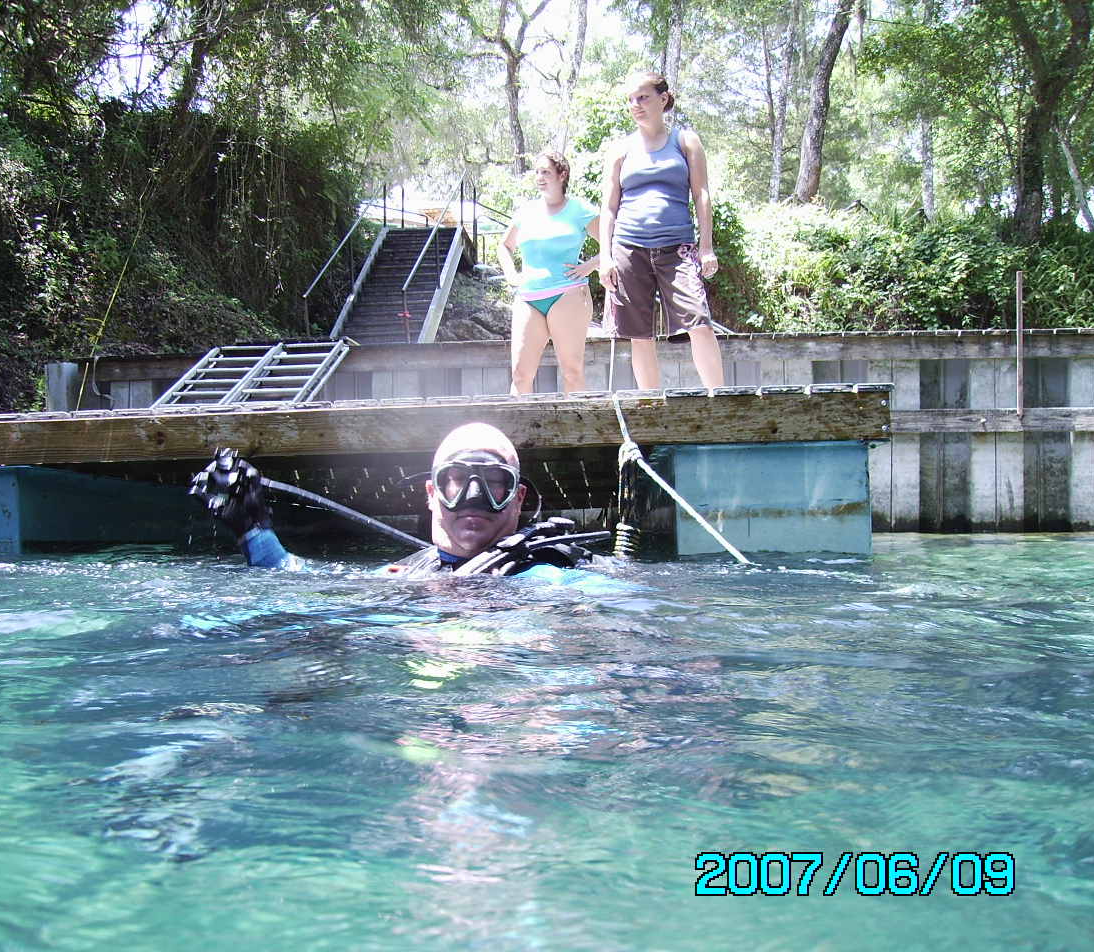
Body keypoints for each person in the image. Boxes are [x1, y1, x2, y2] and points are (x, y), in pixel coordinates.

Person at [190, 422, 604, 578]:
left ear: (518, 499)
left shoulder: (554, 574)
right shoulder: (403, 576)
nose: (471, 499)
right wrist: (254, 531)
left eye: (493, 483)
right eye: (455, 481)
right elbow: (300, 579)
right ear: (431, 494)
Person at [598, 72, 725, 391]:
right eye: (631, 100)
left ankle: (719, 398)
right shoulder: (620, 149)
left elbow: (701, 194)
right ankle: (651, 404)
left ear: (663, 99)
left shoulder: (685, 141)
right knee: (639, 333)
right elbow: (609, 206)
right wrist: (604, 256)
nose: (636, 105)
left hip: (677, 248)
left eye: (643, 97)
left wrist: (705, 246)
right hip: (628, 247)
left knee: (698, 320)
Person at [497, 152, 601, 396]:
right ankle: (522, 433)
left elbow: (614, 241)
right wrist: (512, 276)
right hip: (528, 298)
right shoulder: (526, 212)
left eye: (545, 172)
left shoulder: (580, 209)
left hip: (568, 295)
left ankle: (577, 432)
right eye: (537, 172)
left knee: (571, 372)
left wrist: (591, 265)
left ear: (561, 175)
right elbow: (504, 246)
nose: (539, 177)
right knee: (521, 375)